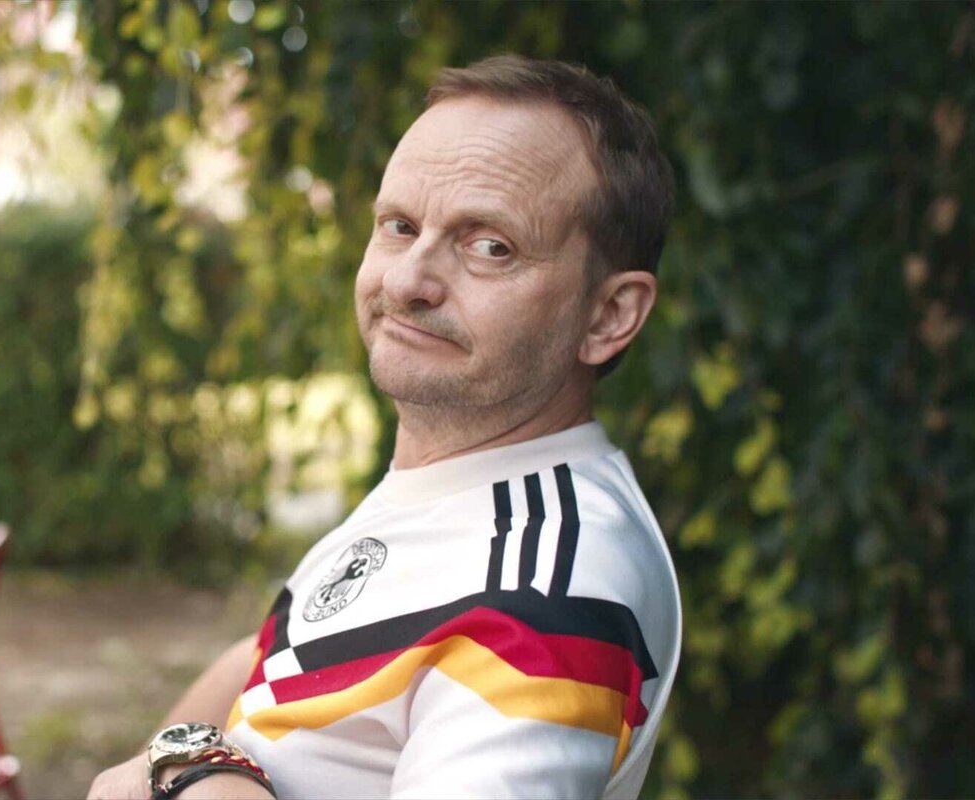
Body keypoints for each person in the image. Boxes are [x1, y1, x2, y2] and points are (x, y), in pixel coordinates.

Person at [89, 55, 681, 800]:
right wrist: (180, 752)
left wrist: (194, 780)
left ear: (608, 316)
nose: (406, 281)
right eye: (400, 226)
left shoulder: (544, 596)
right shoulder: (454, 488)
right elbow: (278, 658)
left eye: (489, 246)